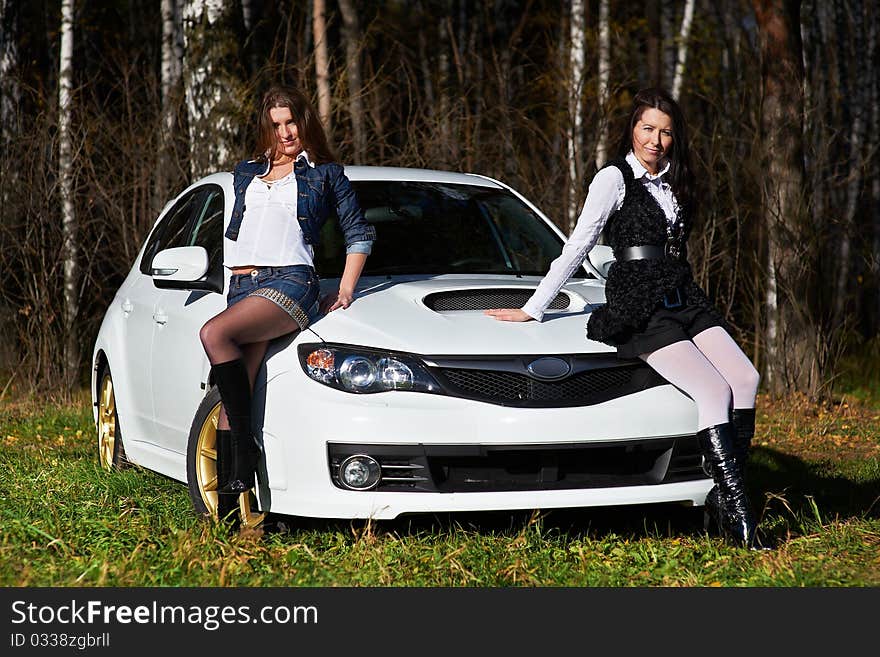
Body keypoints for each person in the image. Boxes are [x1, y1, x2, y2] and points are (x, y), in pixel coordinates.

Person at [485, 88, 762, 549]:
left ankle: (725, 499)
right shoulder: (613, 178)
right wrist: (534, 307)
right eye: (647, 128)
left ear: (675, 138)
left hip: (683, 295)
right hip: (640, 303)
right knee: (714, 390)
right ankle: (741, 519)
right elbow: (579, 242)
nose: (655, 139)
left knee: (746, 378)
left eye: (666, 132)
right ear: (632, 129)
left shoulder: (676, 180)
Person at [199, 85, 375, 511]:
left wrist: (347, 287)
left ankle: (247, 457)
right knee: (235, 396)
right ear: (267, 126)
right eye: (276, 124)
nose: (285, 132)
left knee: (213, 334)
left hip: (291, 283)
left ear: (304, 121)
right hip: (242, 286)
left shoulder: (324, 173)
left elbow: (359, 232)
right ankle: (230, 514)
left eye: (291, 122)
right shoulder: (246, 172)